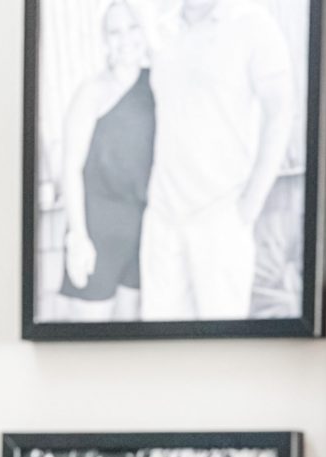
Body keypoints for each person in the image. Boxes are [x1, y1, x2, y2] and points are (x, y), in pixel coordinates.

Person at [132, 0, 295, 322]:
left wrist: (251, 203)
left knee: (223, 346)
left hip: (221, 215)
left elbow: (281, 113)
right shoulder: (163, 29)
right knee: (159, 349)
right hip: (163, 218)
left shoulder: (253, 24)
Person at [59, 1, 155, 322]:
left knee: (129, 347)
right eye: (115, 31)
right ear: (105, 39)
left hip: (143, 231)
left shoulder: (157, 86)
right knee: (87, 342)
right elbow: (70, 168)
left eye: (132, 28)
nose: (125, 38)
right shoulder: (91, 92)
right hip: (96, 231)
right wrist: (78, 236)